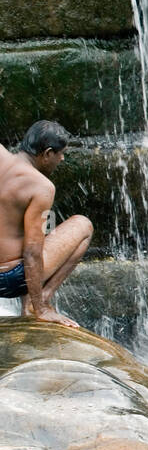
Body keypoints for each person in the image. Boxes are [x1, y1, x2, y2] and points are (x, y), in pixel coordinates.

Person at [0, 121, 93, 327]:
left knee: (41, 225)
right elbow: (32, 252)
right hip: (10, 279)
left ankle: (30, 306)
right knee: (83, 225)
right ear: (47, 153)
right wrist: (40, 310)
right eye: (60, 154)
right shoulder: (41, 187)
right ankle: (39, 302)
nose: (62, 158)